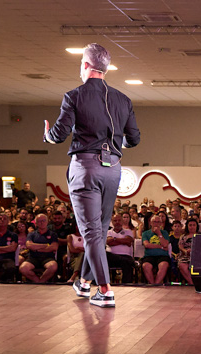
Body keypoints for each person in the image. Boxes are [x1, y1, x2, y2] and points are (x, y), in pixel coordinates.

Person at [44, 42, 140, 307]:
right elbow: (134, 139)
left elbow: (59, 134)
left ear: (86, 65)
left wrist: (47, 135)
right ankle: (85, 282)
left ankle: (105, 290)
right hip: (113, 169)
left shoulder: (74, 96)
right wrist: (116, 143)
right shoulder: (123, 99)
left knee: (92, 232)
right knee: (99, 229)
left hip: (86, 168)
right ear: (105, 68)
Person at [20, 214, 60, 283]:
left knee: (53, 266)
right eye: (39, 221)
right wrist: (46, 245)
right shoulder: (32, 234)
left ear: (47, 222)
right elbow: (29, 245)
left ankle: (41, 281)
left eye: (43, 220)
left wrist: (36, 248)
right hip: (33, 258)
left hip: (48, 258)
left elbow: (54, 247)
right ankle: (38, 281)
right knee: (23, 268)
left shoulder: (53, 234)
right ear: (36, 223)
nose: (42, 222)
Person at [105, 212, 136, 284]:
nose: (117, 222)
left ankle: (127, 284)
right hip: (111, 257)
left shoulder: (128, 231)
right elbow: (109, 242)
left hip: (126, 256)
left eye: (119, 220)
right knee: (103, 256)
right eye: (115, 221)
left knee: (127, 262)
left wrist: (114, 239)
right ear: (112, 222)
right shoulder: (108, 232)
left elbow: (128, 241)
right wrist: (123, 241)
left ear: (122, 221)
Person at [140, 214, 170, 285]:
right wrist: (161, 247)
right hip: (149, 255)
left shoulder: (165, 233)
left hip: (162, 256)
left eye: (158, 222)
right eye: (154, 222)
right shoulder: (145, 233)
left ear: (161, 223)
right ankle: (152, 284)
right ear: (150, 223)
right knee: (146, 266)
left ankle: (156, 284)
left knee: (164, 265)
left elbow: (165, 244)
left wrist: (159, 233)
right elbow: (147, 245)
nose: (156, 224)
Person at [176, 219, 196, 285]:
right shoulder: (183, 236)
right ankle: (192, 283)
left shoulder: (200, 236)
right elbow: (180, 246)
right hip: (185, 255)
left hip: (197, 256)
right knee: (182, 265)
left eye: (194, 225)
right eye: (190, 225)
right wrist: (185, 251)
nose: (192, 227)